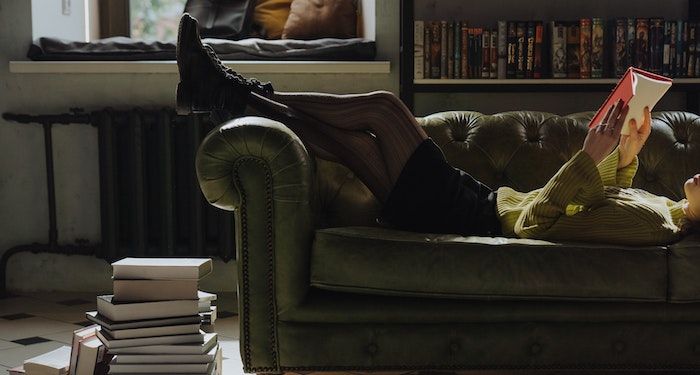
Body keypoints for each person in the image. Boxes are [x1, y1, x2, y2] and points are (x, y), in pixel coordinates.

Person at [176, 14, 700, 246]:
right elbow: (598, 202)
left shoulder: (655, 228)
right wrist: (626, 154)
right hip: (479, 203)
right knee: (348, 142)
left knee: (382, 109)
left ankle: (230, 89)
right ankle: (224, 92)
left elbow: (545, 226)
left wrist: (589, 153)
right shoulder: (665, 213)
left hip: (476, 216)